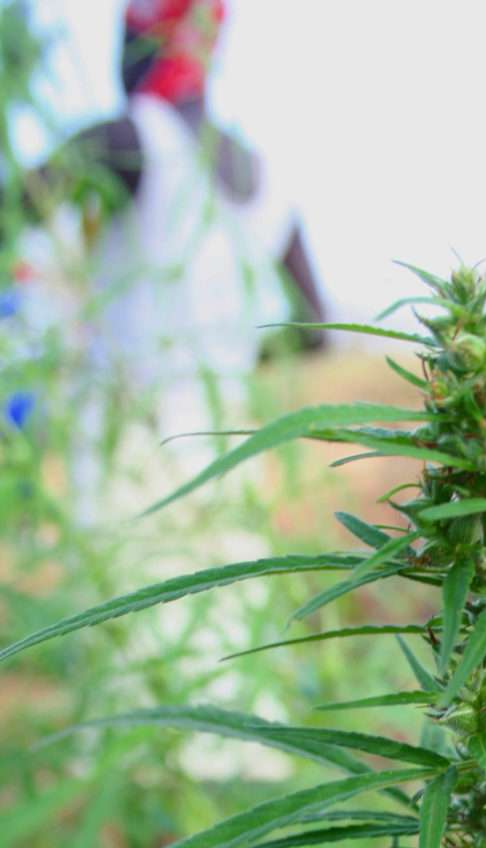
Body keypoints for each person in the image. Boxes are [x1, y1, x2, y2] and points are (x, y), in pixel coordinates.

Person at [2, 0, 328, 522]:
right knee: (227, 593)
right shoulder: (266, 177)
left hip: (129, 451)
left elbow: (9, 216)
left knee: (126, 599)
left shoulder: (125, 139)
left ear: (143, 45)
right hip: (231, 448)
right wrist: (223, 362)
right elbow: (314, 328)